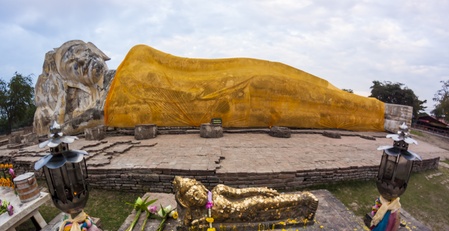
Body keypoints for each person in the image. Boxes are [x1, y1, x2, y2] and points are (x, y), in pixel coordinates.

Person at [105, 44, 386, 131]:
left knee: (277, 80)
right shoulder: (126, 99)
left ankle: (375, 110)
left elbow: (187, 67)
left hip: (235, 84)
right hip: (240, 99)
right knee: (270, 86)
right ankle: (374, 113)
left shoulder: (141, 59)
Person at [34, 40, 113, 135]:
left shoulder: (113, 78)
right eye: (75, 67)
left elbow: (97, 115)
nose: (81, 60)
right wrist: (61, 97)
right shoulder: (86, 96)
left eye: (79, 51)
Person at [173, 176, 319, 226]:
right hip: (247, 218)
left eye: (197, 193)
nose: (197, 198)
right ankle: (301, 211)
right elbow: (188, 223)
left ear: (202, 188)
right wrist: (187, 210)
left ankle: (305, 198)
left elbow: (241, 192)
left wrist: (260, 190)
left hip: (250, 204)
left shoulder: (218, 191)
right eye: (193, 199)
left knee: (278, 203)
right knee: (279, 215)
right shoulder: (204, 213)